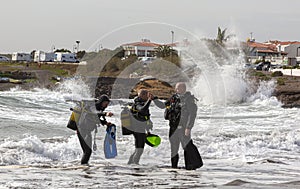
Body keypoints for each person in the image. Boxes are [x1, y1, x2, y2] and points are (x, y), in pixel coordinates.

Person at [164, 82, 200, 169]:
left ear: (184, 89)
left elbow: (192, 115)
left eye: (179, 88)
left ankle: (190, 167)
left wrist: (188, 127)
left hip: (183, 128)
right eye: (176, 88)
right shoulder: (173, 98)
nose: (177, 90)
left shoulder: (189, 99)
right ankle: (174, 168)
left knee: (187, 148)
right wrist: (153, 99)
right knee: (174, 149)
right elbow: (163, 105)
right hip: (173, 128)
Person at [77, 94, 113, 165]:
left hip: (86, 131)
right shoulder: (93, 107)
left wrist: (105, 123)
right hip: (82, 130)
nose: (106, 106)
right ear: (101, 102)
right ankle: (83, 167)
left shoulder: (99, 108)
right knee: (88, 151)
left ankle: (84, 167)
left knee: (87, 151)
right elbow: (94, 113)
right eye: (105, 103)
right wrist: (105, 114)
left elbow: (96, 118)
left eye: (107, 104)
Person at [127, 89, 155, 165]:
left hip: (140, 128)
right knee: (140, 149)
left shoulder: (142, 102)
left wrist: (148, 128)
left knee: (138, 148)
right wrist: (149, 100)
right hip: (137, 129)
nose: (148, 96)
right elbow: (142, 110)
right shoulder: (137, 104)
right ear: (142, 95)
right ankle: (135, 164)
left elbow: (145, 116)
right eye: (147, 95)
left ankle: (131, 163)